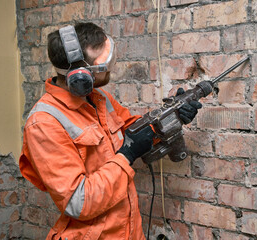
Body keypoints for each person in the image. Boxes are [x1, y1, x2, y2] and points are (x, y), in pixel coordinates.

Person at [19, 22, 202, 240]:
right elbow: (79, 203)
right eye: (104, 63)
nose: (111, 68)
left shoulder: (99, 99)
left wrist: (173, 117)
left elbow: (136, 133)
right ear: (80, 76)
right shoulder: (44, 123)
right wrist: (126, 156)